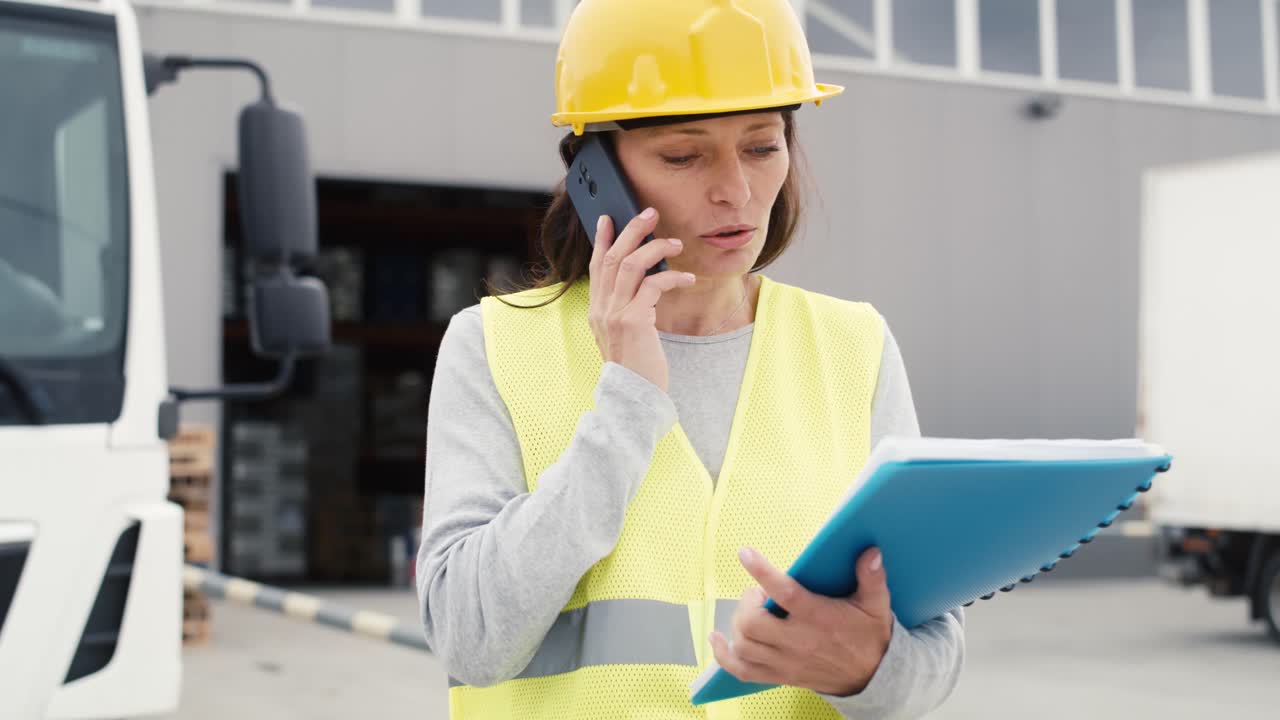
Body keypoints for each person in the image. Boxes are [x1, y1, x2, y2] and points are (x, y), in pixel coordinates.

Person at [416, 0, 964, 717]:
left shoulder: (852, 347)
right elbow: (470, 638)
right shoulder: (493, 347)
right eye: (683, 154)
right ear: (594, 173)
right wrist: (626, 405)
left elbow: (935, 653)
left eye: (763, 147)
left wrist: (868, 669)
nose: (735, 189)